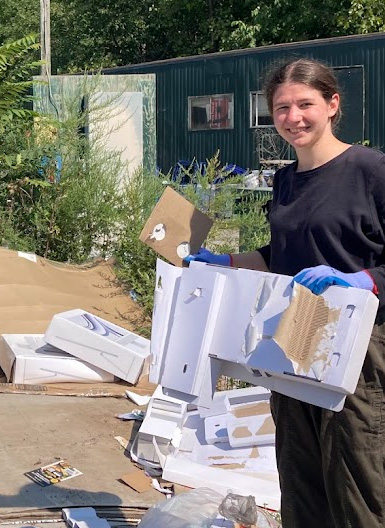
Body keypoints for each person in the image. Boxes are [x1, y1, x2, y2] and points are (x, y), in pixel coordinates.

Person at [187, 58, 385, 527]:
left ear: (332, 105)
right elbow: (283, 254)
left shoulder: (371, 172)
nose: (293, 117)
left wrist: (364, 280)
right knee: (301, 478)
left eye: (305, 104)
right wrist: (228, 262)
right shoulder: (285, 179)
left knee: (357, 479)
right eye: (281, 107)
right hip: (294, 340)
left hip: (359, 348)